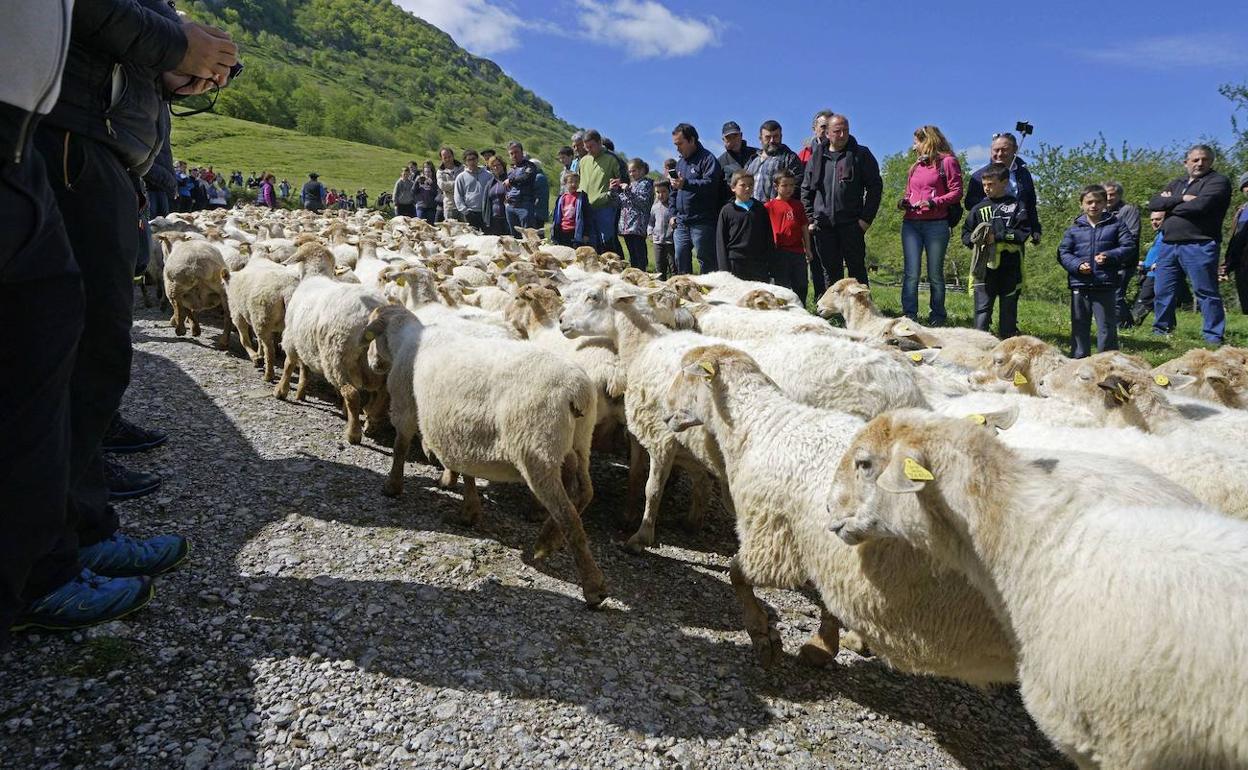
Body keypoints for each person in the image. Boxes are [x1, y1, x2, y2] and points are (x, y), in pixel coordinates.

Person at [8, 0, 233, 638]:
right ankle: (44, 562)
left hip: (92, 142)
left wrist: (169, 66)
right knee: (69, 351)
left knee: (90, 349)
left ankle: (77, 530)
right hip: (72, 139)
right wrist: (174, 46)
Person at [1148, 144, 1232, 343]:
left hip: (1199, 244)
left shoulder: (1218, 181)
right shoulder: (1177, 183)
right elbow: (1153, 204)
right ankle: (1162, 331)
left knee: (1205, 290)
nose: (1200, 163)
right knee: (1162, 290)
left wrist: (1168, 207)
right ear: (1186, 162)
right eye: (1195, 160)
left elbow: (1201, 206)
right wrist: (1183, 198)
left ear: (1211, 162)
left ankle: (1213, 337)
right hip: (1168, 244)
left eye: (1205, 159)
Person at [800, 113, 882, 287]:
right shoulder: (817, 157)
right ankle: (834, 311)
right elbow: (806, 189)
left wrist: (865, 220)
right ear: (827, 133)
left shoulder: (861, 154)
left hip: (852, 224)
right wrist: (810, 219)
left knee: (857, 271)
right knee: (830, 271)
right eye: (838, 131)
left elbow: (875, 188)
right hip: (823, 225)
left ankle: (861, 310)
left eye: (846, 130)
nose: (843, 135)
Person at [1058, 185, 1135, 357]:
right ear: (1082, 204)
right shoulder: (1074, 229)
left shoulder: (1116, 225)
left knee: (1107, 326)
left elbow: (1129, 247)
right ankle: (1078, 361)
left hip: (1105, 283)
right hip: (1080, 283)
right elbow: (1063, 253)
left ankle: (1107, 363)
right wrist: (1077, 265)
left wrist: (1109, 256)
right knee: (1079, 326)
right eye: (1089, 202)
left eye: (1098, 202)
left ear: (1105, 203)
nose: (1093, 205)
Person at [899, 125, 963, 326]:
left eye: (916, 142)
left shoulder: (948, 162)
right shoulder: (915, 166)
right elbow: (910, 192)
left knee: (935, 272)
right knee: (911, 272)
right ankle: (909, 314)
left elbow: (957, 192)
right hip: (911, 223)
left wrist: (934, 202)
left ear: (927, 141)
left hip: (936, 224)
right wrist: (904, 201)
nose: (913, 146)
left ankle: (937, 315)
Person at [961, 163, 1031, 338]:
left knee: (1008, 312)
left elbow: (1023, 234)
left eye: (991, 184)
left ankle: (1007, 342)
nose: (986, 189)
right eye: (984, 185)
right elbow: (965, 234)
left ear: (1004, 182)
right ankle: (979, 345)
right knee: (982, 311)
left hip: (1010, 267)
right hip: (984, 269)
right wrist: (975, 240)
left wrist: (998, 237)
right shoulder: (978, 208)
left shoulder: (1017, 206)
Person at [964, 132, 1042, 246]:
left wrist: (1036, 229)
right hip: (988, 237)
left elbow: (1030, 204)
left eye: (1004, 149)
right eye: (996, 150)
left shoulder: (1024, 174)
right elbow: (970, 204)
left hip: (1014, 236)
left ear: (1015, 149)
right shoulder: (978, 176)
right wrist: (995, 205)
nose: (999, 154)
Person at [671, 123, 724, 273]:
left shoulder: (708, 159)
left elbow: (711, 184)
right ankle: (684, 292)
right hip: (681, 222)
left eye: (680, 143)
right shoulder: (680, 163)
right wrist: (673, 213)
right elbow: (673, 192)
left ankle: (709, 294)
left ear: (692, 140)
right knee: (680, 257)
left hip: (702, 222)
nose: (677, 148)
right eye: (675, 144)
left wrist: (686, 183)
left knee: (706, 260)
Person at [716, 170, 774, 281]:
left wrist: (770, 264)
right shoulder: (727, 210)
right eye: (743, 185)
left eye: (750, 185)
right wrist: (724, 270)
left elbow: (768, 237)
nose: (747, 188)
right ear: (733, 187)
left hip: (758, 262)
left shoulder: (760, 209)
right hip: (735, 262)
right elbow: (721, 241)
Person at [574, 129, 625, 254]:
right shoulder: (583, 161)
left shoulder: (612, 159)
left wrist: (613, 191)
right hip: (586, 209)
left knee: (607, 244)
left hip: (606, 207)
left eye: (591, 146)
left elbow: (623, 181)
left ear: (599, 142)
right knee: (589, 245)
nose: (589, 150)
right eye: (587, 148)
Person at [765, 169, 811, 303]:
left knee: (801, 285)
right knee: (782, 286)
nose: (789, 189)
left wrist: (807, 248)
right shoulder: (769, 206)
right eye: (784, 185)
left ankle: (801, 308)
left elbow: (804, 227)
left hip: (797, 251)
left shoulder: (798, 205)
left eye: (792, 185)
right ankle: (783, 312)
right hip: (779, 252)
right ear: (776, 186)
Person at [1102, 181, 1141, 328]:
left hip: (1124, 261)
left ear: (1119, 195)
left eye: (1113, 194)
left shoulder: (1128, 210)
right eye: (1106, 194)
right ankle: (1128, 323)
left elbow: (1132, 235)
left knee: (1115, 294)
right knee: (1112, 293)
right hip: (1107, 260)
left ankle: (1117, 327)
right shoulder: (1102, 212)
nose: (1109, 197)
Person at [744, 120, 803, 204]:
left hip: (776, 212)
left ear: (781, 137)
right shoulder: (752, 160)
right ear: (760, 138)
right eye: (767, 137)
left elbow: (796, 185)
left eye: (775, 136)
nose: (772, 140)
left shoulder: (790, 158)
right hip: (752, 211)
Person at [612, 159, 655, 269]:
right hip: (627, 226)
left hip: (638, 226)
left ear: (642, 170)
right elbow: (623, 201)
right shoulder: (632, 184)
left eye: (634, 171)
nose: (631, 174)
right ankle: (635, 274)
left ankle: (642, 273)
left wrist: (628, 191)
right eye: (629, 171)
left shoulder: (646, 184)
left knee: (639, 254)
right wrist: (615, 190)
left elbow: (643, 202)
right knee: (632, 254)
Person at [1220, 173, 1248, 314]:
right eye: (1245, 186)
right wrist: (1227, 265)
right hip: (1243, 264)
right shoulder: (1242, 211)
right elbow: (1236, 240)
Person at [551, 172, 597, 247]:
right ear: (565, 183)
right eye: (570, 182)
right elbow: (556, 217)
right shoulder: (561, 198)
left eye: (576, 182)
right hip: (563, 232)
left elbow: (587, 216)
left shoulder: (582, 198)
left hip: (576, 232)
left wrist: (586, 234)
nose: (573, 184)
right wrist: (555, 234)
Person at [503, 141, 538, 236]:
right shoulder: (510, 169)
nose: (514, 155)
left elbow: (526, 178)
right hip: (510, 206)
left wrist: (510, 181)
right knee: (515, 237)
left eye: (516, 152)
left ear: (522, 152)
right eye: (511, 153)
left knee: (529, 236)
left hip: (524, 206)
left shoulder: (530, 166)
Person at [454, 149, 493, 231]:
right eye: (469, 160)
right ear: (465, 162)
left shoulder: (488, 175)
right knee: (472, 238)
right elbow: (458, 196)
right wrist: (465, 211)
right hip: (470, 213)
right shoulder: (461, 177)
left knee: (487, 238)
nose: (472, 162)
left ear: (477, 159)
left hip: (486, 212)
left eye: (474, 159)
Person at [717, 121, 758, 192]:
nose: (732, 140)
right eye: (728, 137)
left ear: (741, 135)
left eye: (735, 136)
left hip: (756, 201)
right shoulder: (719, 162)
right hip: (732, 201)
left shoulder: (757, 155)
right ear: (723, 139)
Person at [649, 179, 676, 280]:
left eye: (664, 191)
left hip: (671, 242)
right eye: (658, 192)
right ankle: (660, 287)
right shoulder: (655, 207)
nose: (661, 195)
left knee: (673, 267)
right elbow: (651, 222)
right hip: (658, 242)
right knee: (659, 268)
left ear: (670, 191)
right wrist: (650, 233)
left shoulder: (673, 206)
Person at [481, 155, 512, 236]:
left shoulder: (509, 180)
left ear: (503, 165)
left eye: (498, 165)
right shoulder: (490, 183)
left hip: (508, 218)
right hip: (494, 219)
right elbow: (487, 202)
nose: (496, 167)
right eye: (493, 166)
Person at [437, 147, 463, 221]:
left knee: (466, 230)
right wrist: (458, 182)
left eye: (449, 157)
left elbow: (466, 183)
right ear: (441, 158)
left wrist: (449, 186)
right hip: (449, 206)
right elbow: (442, 186)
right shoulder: (440, 171)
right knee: (451, 229)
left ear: (453, 156)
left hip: (463, 205)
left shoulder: (462, 168)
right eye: (445, 158)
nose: (448, 159)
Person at [532, 160, 550, 238]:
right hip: (540, 210)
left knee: (537, 234)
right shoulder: (541, 176)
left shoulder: (538, 177)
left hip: (537, 211)